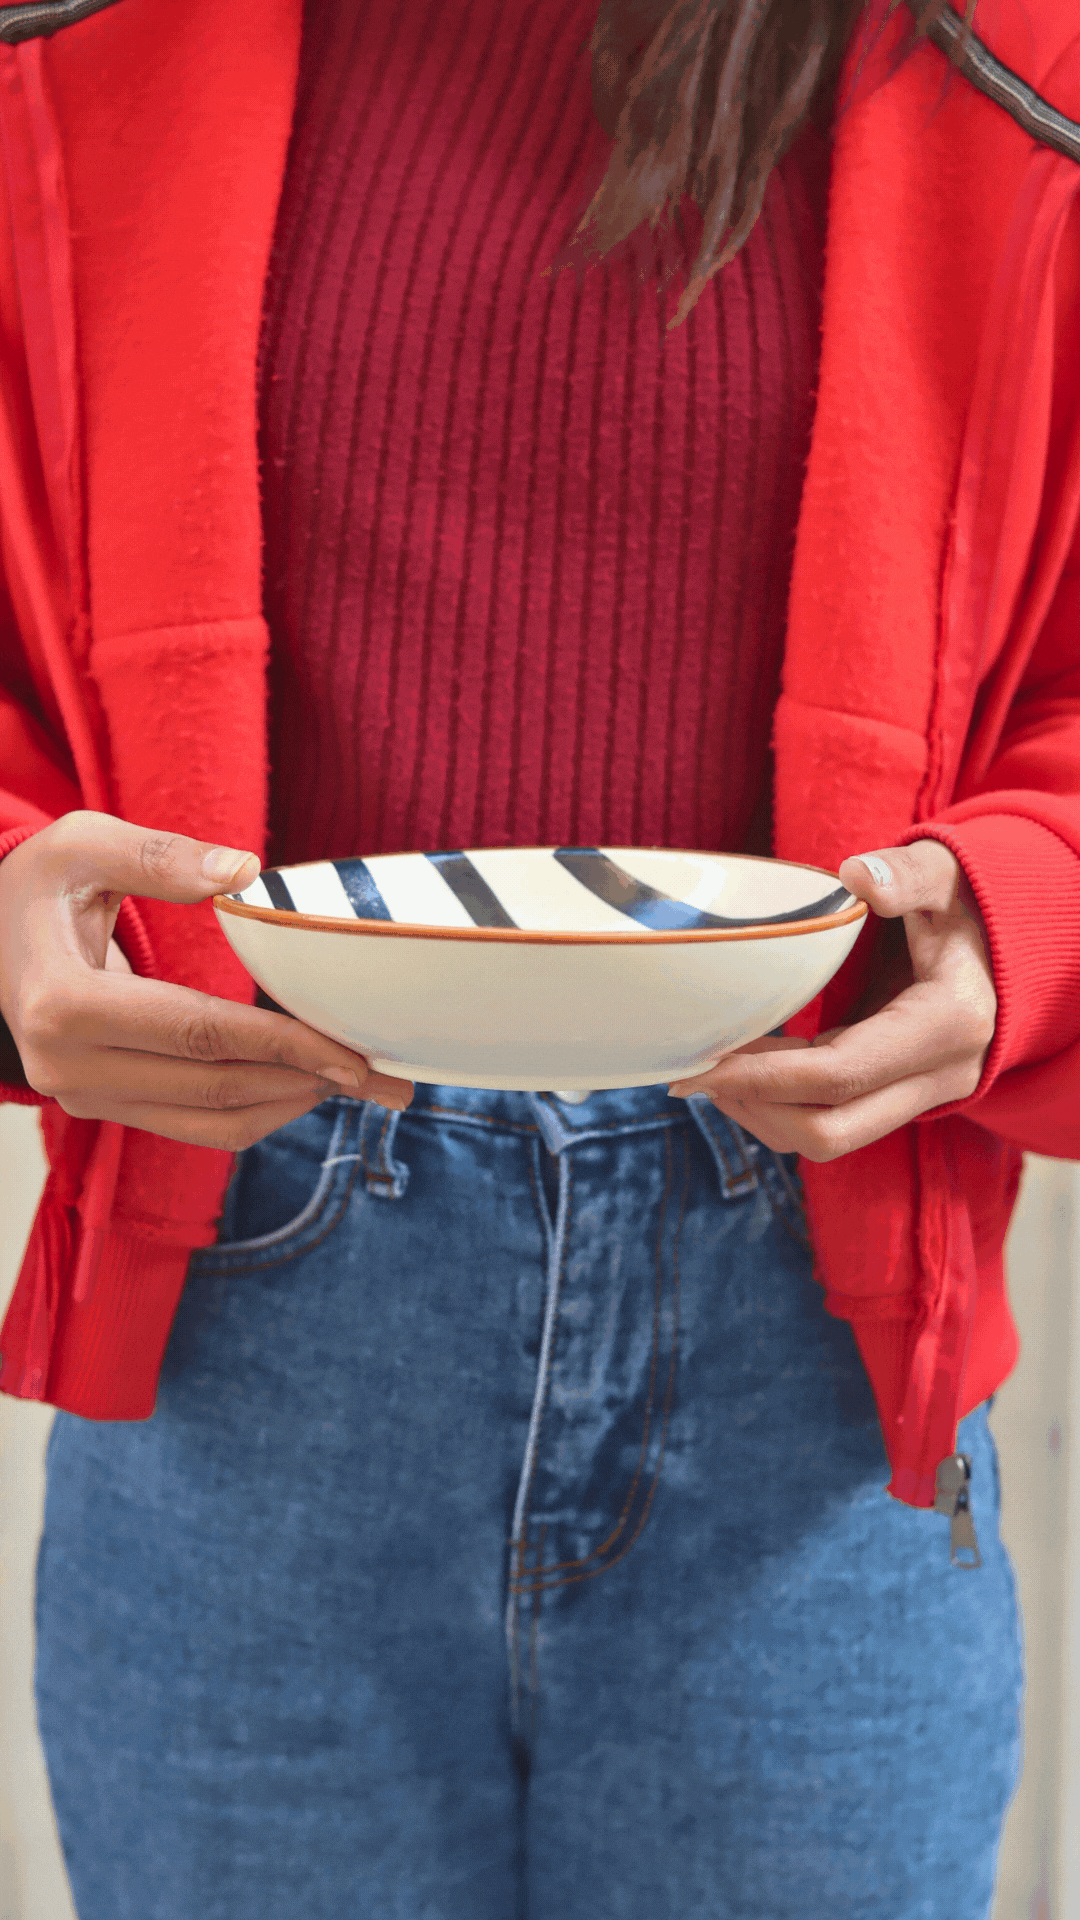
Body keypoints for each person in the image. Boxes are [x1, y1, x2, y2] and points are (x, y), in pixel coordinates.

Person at [0, 0, 1076, 1912]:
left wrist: (1028, 908)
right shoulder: (58, 53)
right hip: (240, 1337)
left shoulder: (1022, 71)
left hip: (815, 1355)